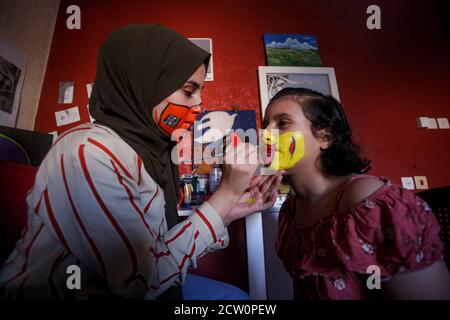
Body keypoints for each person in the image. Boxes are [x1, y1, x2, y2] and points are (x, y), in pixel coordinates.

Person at [0, 24, 283, 299]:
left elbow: (162, 243)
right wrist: (228, 192)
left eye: (200, 92)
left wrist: (232, 208)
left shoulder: (154, 151)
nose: (198, 106)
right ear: (144, 83)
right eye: (188, 90)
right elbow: (141, 283)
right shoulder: (88, 153)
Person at [262, 87, 450, 300]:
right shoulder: (290, 212)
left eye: (283, 124)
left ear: (325, 136)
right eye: (264, 125)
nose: (265, 134)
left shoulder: (366, 201)